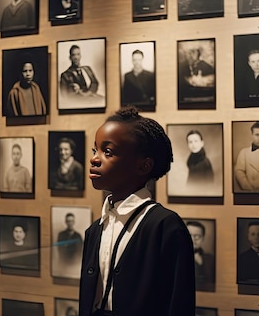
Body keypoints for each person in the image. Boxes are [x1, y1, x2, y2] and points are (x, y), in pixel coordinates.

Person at [80, 106, 195, 316]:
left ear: (143, 166)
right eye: (95, 150)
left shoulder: (165, 226)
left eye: (108, 152)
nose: (94, 159)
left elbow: (179, 302)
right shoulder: (95, 230)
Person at [186, 221, 215, 291]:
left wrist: (201, 265)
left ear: (203, 238)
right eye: (188, 235)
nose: (192, 240)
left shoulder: (211, 260)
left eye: (197, 236)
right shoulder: (172, 256)